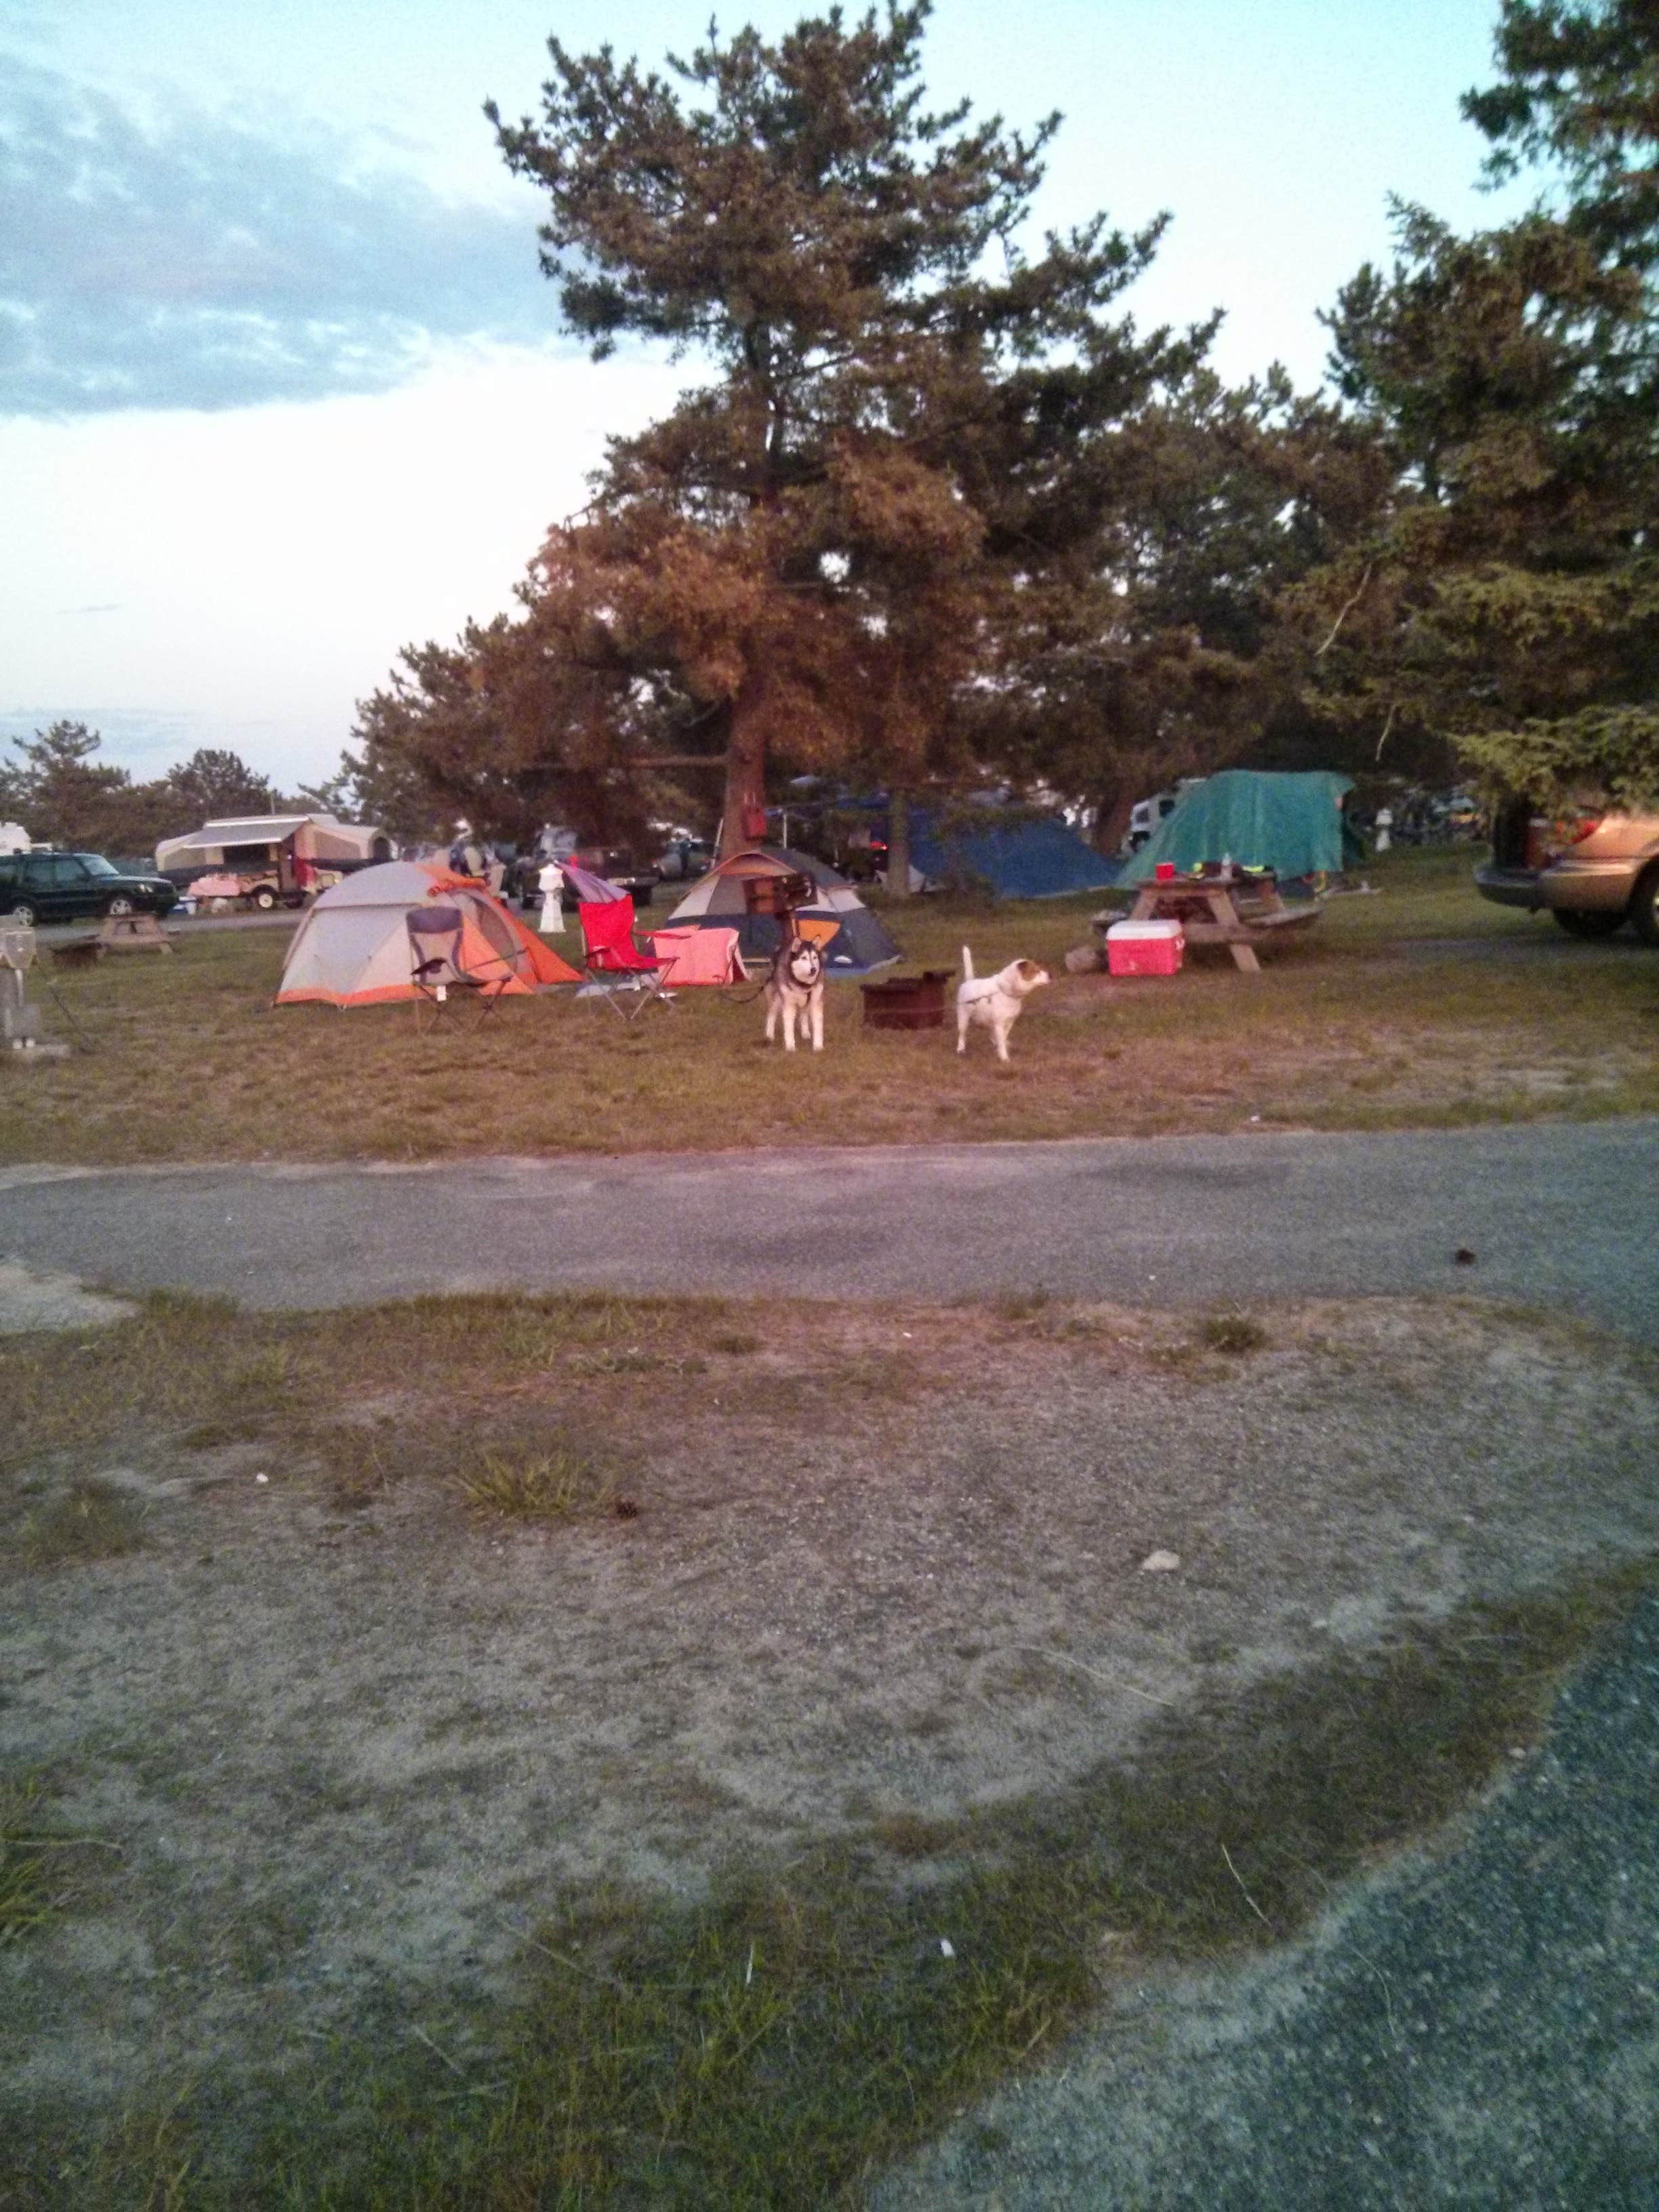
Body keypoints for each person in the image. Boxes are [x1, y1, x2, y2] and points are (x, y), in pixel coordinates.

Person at [537, 857, 566, 934]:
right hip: (551, 896)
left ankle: (552, 927)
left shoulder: (555, 872)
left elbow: (542, 885)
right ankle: (550, 927)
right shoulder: (556, 872)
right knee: (551, 909)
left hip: (552, 896)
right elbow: (560, 885)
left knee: (553, 908)